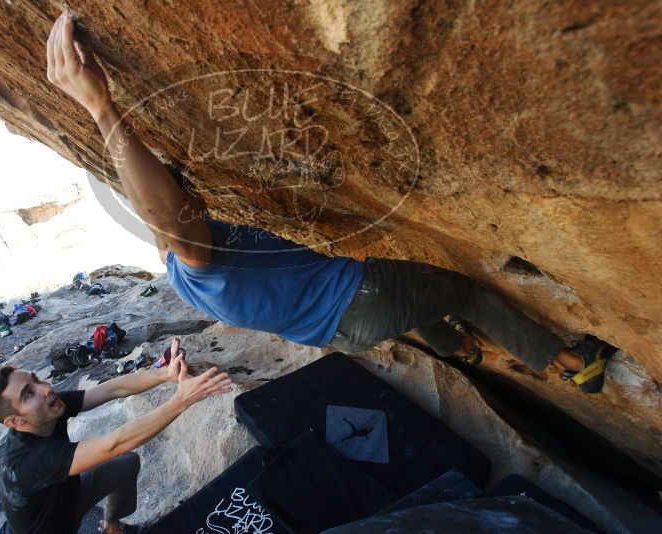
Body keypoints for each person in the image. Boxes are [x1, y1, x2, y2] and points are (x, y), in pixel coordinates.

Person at [45, 13, 616, 394]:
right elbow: (168, 214)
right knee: (463, 290)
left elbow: (160, 224)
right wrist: (100, 109)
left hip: (343, 332)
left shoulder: (176, 269)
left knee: (421, 300)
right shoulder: (202, 256)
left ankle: (461, 349)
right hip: (360, 297)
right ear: (183, 202)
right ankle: (570, 363)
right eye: (185, 191)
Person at [0, 338, 231, 534]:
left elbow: (112, 388)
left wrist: (163, 374)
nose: (45, 388)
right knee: (121, 454)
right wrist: (182, 400)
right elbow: (114, 444)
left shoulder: (46, 408)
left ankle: (112, 527)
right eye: (28, 394)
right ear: (14, 422)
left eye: (36, 380)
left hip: (68, 501)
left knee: (126, 464)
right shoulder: (30, 460)